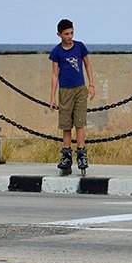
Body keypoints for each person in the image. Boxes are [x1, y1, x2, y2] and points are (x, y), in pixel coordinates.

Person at [48, 18, 95, 175]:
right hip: (65, 91)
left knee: (80, 123)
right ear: (59, 34)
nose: (70, 36)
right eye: (66, 34)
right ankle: (66, 154)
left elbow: (87, 65)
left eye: (72, 33)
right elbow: (55, 74)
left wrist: (91, 85)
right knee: (66, 125)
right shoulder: (57, 52)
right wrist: (52, 97)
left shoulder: (80, 47)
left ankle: (81, 153)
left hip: (80, 89)